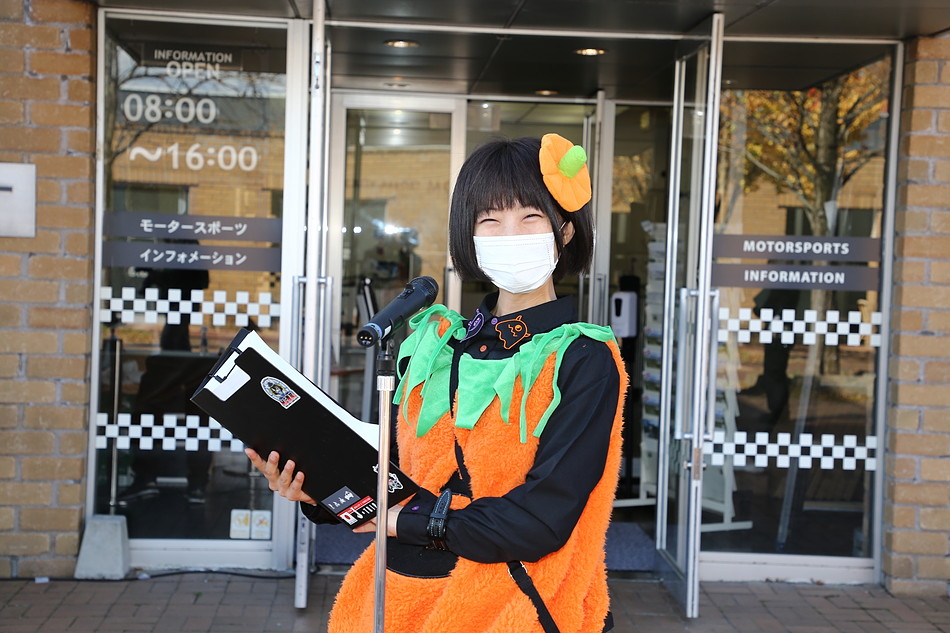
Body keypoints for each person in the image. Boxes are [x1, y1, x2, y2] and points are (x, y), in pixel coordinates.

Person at [246, 134, 628, 633]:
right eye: (490, 220)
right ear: (470, 235)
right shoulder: (437, 346)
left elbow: (540, 520)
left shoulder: (584, 359)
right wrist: (318, 489)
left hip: (516, 609)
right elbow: (391, 477)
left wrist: (403, 520)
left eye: (530, 217)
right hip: (398, 598)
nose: (510, 234)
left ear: (565, 231)